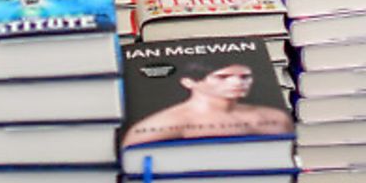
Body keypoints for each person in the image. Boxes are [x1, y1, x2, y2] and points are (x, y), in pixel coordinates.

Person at [122, 59, 293, 145]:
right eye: (223, 77)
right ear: (189, 82)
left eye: (244, 76)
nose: (237, 83)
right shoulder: (163, 125)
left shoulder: (274, 116)